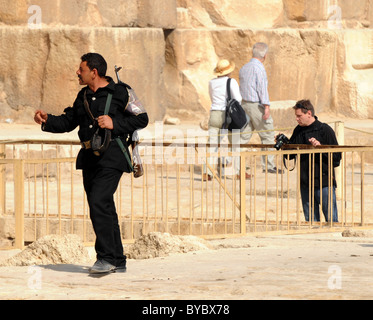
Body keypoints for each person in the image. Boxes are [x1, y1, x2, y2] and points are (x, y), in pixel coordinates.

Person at [34, 53, 149, 274]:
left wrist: (114, 123)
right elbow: (69, 121)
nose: (78, 72)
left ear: (94, 72)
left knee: (99, 201)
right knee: (103, 206)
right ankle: (118, 259)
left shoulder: (120, 92)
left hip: (113, 156)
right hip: (89, 159)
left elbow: (141, 118)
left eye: (81, 69)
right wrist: (47, 119)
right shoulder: (83, 95)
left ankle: (105, 258)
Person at [277, 99, 341, 222]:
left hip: (324, 182)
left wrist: (321, 147)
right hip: (306, 182)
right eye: (296, 116)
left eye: (299, 116)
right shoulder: (298, 130)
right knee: (311, 222)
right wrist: (284, 145)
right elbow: (290, 156)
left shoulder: (325, 130)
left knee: (332, 221)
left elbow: (337, 158)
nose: (297, 119)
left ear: (309, 114)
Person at [203, 59, 251, 181]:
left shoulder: (211, 83)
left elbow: (211, 97)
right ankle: (240, 171)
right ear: (229, 71)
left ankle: (207, 172)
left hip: (214, 114)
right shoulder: (231, 81)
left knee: (212, 144)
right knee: (235, 143)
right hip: (229, 116)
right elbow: (238, 98)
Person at [239, 42, 281, 174]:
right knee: (268, 134)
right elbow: (262, 89)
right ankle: (268, 166)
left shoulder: (244, 67)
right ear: (265, 55)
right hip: (256, 105)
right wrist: (266, 106)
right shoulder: (259, 68)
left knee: (244, 136)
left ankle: (237, 164)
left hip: (244, 104)